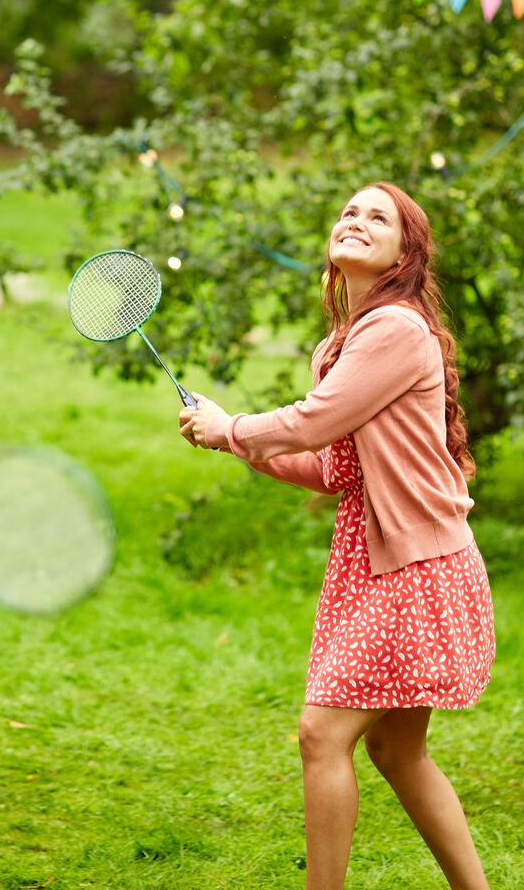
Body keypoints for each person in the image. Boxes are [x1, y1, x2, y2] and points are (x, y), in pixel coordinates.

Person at [178, 182, 495, 890]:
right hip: (394, 560)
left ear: (404, 255)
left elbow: (312, 421)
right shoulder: (346, 343)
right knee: (396, 748)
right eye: (349, 211)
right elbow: (332, 465)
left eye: (377, 217)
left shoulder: (395, 331)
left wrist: (234, 427)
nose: (355, 220)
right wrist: (231, 440)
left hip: (415, 567)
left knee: (323, 735)